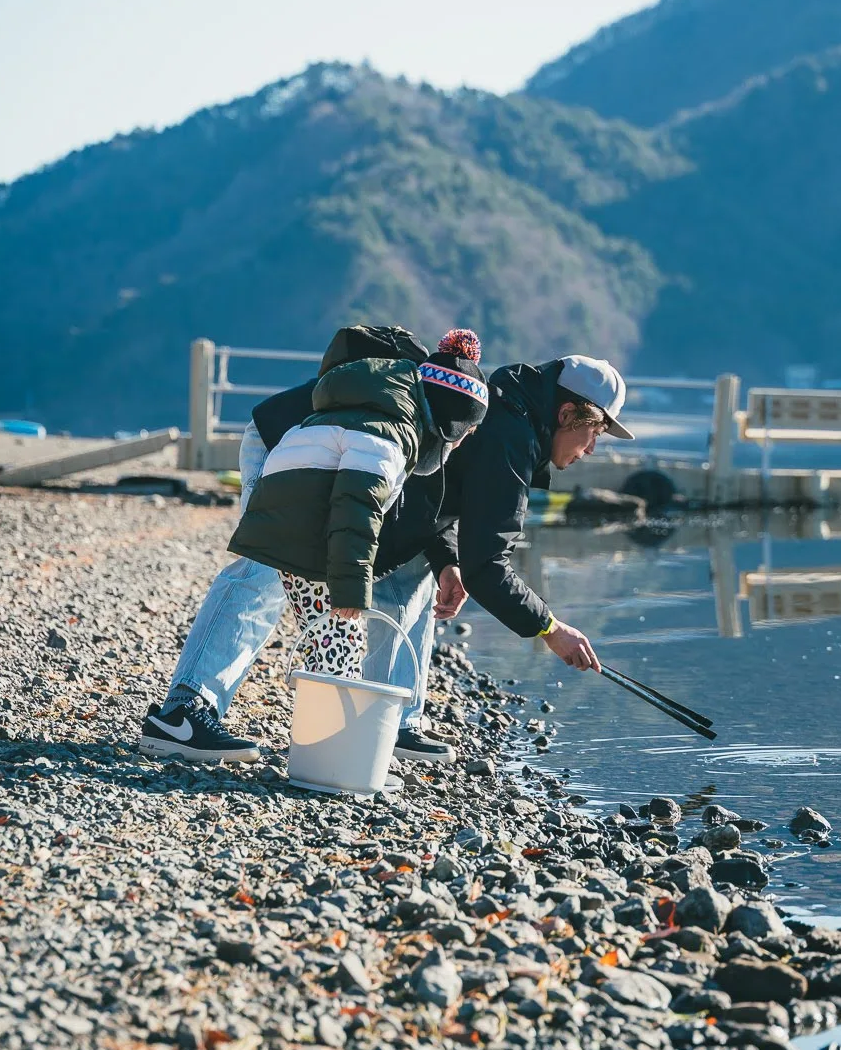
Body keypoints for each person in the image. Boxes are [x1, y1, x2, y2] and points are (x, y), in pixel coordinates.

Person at [140, 325, 484, 765]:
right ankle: (184, 714)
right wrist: (349, 592)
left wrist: (446, 559)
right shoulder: (395, 424)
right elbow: (357, 512)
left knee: (346, 615)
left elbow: (419, 506)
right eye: (461, 437)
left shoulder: (416, 401)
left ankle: (373, 732)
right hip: (282, 450)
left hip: (327, 462)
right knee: (262, 574)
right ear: (451, 425)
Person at [452, 354, 634, 670]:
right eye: (596, 434)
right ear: (566, 414)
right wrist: (550, 628)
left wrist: (442, 559)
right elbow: (483, 566)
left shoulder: (505, 414)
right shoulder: (511, 439)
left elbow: (437, 495)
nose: (591, 450)